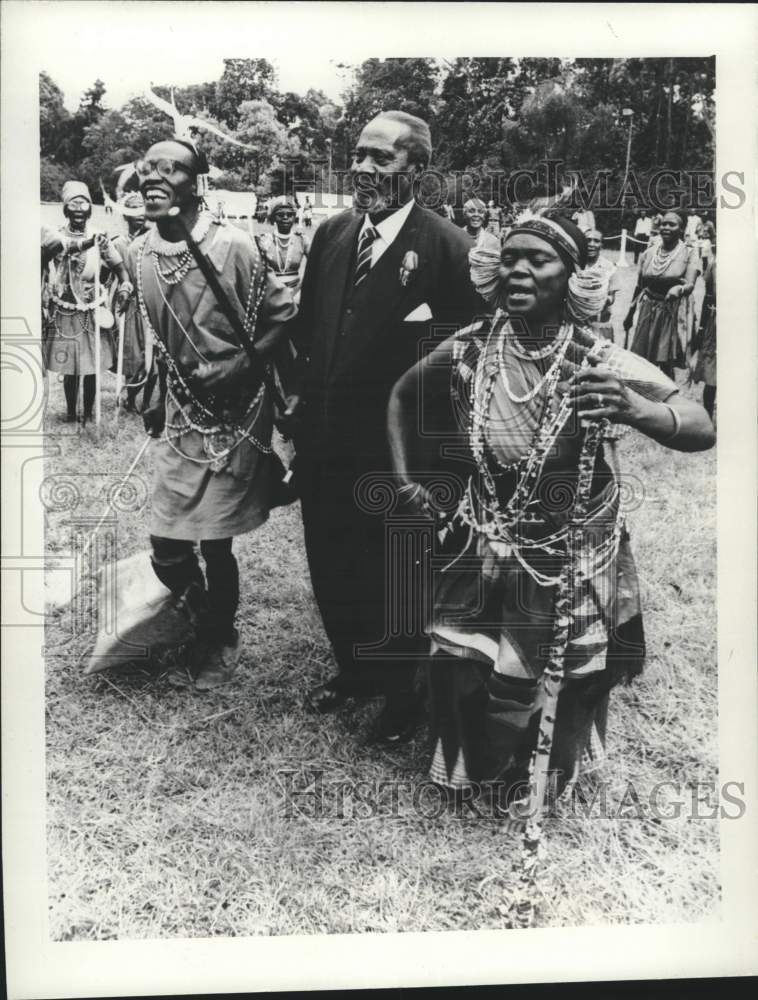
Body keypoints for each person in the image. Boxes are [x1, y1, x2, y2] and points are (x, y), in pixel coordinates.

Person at [387, 212, 715, 806]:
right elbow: (403, 394)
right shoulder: (475, 345)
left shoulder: (596, 357)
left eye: (538, 260)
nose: (518, 270)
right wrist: (407, 481)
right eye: (510, 257)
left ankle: (539, 778)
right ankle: (471, 766)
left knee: (560, 672)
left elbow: (699, 424)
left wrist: (637, 410)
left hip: (568, 548)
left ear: (571, 278)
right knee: (462, 659)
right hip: (485, 533)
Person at [285, 110, 481, 742]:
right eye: (358, 155)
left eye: (381, 158)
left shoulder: (451, 249)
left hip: (399, 455)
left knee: (397, 574)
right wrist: (298, 402)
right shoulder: (332, 234)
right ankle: (354, 669)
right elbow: (310, 330)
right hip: (324, 444)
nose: (362, 168)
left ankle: (403, 695)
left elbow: (464, 369)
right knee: (331, 560)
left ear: (416, 169)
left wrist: (442, 469)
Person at [128, 137, 296, 690]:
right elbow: (157, 336)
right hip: (182, 417)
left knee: (216, 540)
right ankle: (200, 621)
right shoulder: (139, 254)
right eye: (147, 168)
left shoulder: (236, 246)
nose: (154, 177)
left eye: (170, 168)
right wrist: (154, 391)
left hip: (239, 415)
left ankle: (219, 639)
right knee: (167, 544)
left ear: (196, 184)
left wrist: (238, 368)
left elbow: (282, 317)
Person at [42, 181, 132, 424]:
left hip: (92, 308)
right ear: (66, 209)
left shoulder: (99, 236)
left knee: (92, 364)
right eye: (74, 206)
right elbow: (43, 260)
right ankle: (72, 412)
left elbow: (120, 268)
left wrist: (125, 286)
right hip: (66, 308)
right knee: (71, 365)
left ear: (90, 210)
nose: (79, 212)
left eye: (84, 206)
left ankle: (90, 412)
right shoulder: (56, 236)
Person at [624, 210, 699, 378]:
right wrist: (630, 314)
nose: (666, 227)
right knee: (642, 360)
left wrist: (678, 289)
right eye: (664, 224)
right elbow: (640, 285)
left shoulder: (689, 252)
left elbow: (690, 284)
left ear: (681, 229)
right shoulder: (650, 252)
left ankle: (667, 392)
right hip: (648, 309)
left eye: (672, 224)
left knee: (665, 363)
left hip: (672, 312)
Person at [109, 192, 150, 411]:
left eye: (143, 210)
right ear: (126, 215)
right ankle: (130, 398)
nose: (140, 215)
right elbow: (107, 274)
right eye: (134, 210)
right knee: (132, 354)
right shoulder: (118, 243)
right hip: (128, 303)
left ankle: (146, 399)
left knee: (152, 354)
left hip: (150, 302)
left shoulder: (153, 240)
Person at [257, 196, 309, 299]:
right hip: (270, 294)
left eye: (289, 215)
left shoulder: (302, 240)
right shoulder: (264, 240)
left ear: (294, 217)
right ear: (273, 217)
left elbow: (315, 265)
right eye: (280, 215)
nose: (285, 217)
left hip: (296, 294)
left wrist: (296, 290)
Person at [690, 257, 717, 423]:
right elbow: (708, 297)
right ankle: (707, 417)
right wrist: (701, 329)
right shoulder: (715, 264)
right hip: (715, 323)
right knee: (711, 371)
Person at [580, 228, 619, 336]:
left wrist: (595, 295)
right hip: (577, 322)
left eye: (596, 241)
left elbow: (611, 299)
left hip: (599, 322)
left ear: (602, 245)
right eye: (588, 240)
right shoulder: (575, 265)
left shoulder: (609, 267)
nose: (591, 244)